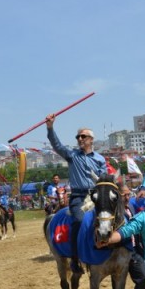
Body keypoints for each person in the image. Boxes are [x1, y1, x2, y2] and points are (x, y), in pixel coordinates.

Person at [46, 113, 106, 274]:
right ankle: (75, 258)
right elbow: (57, 145)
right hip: (79, 197)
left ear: (91, 139)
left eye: (83, 136)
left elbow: (105, 179)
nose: (80, 139)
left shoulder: (100, 159)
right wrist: (50, 128)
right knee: (79, 221)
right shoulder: (72, 156)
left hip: (96, 195)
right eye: (78, 137)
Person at [120, 184, 145, 289]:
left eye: (128, 195)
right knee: (119, 284)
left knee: (144, 277)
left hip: (135, 249)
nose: (127, 198)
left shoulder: (131, 207)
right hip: (120, 252)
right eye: (124, 195)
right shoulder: (114, 212)